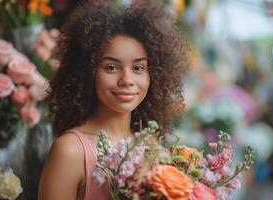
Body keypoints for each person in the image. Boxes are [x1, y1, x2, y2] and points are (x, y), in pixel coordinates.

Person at [38, 1, 187, 199]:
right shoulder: (70, 151)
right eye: (111, 67)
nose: (127, 80)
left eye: (138, 68)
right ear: (88, 72)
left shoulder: (151, 146)